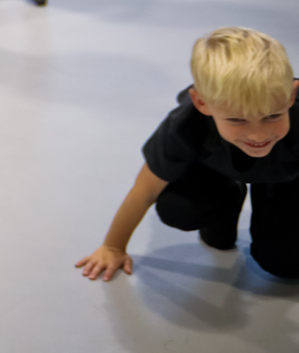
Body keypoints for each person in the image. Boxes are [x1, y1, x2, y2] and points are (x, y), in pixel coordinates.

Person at [78, 27, 298, 283]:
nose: (258, 135)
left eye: (272, 116)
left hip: (288, 177)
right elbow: (146, 189)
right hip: (215, 171)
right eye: (237, 120)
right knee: (181, 210)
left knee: (285, 265)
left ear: (292, 95)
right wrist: (113, 247)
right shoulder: (184, 127)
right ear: (202, 103)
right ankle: (230, 193)